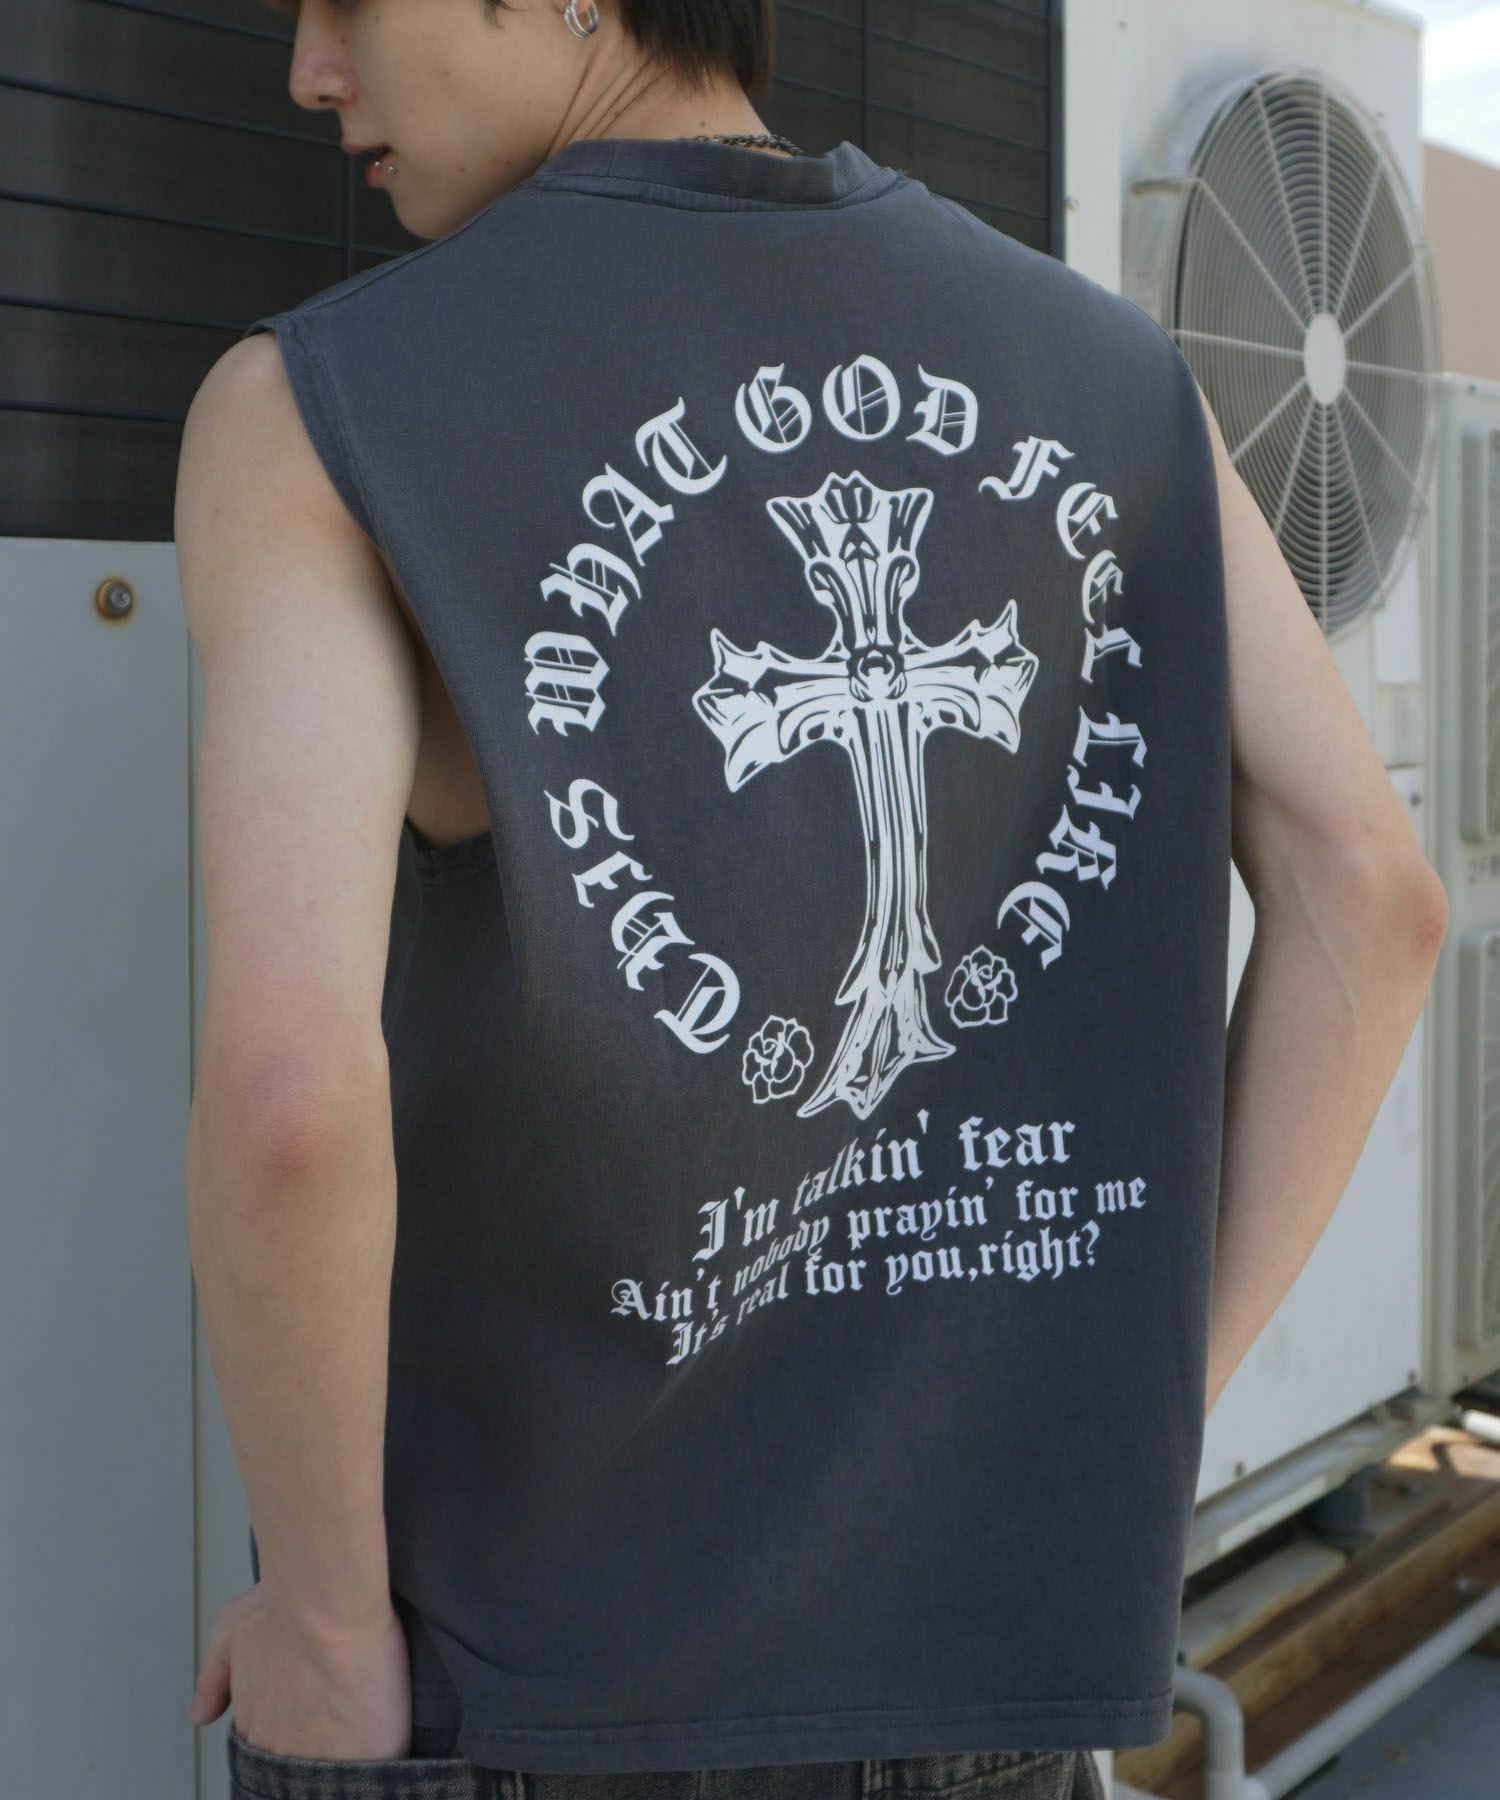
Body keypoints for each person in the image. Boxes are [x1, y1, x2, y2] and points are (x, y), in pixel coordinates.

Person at [173, 3, 1450, 1798]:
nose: (309, 71)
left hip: (531, 1687)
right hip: (989, 1658)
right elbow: (1374, 902)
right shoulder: (1117, 375)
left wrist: (322, 1627)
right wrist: (1134, 1417)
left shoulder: (317, 412)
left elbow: (292, 1110)